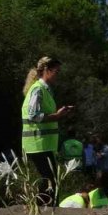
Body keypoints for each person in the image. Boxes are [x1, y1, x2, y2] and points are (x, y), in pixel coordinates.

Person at [21, 56, 73, 202]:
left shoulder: (44, 90)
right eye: (56, 71)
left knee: (49, 180)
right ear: (47, 70)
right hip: (37, 144)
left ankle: (44, 208)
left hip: (42, 144)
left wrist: (59, 114)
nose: (58, 75)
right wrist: (56, 116)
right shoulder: (38, 89)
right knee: (50, 181)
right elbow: (33, 115)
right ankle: (44, 208)